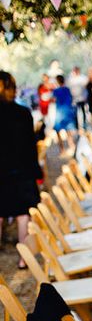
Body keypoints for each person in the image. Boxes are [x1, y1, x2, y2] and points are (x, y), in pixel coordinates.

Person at [0, 71, 41, 267]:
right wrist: (36, 172)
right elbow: (30, 147)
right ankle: (24, 259)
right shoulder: (23, 113)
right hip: (21, 171)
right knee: (22, 215)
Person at [52, 75, 76, 154]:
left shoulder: (56, 91)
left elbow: (54, 99)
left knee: (58, 131)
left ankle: (62, 149)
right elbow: (71, 99)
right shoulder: (67, 89)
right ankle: (72, 147)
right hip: (68, 112)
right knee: (68, 131)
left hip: (60, 113)